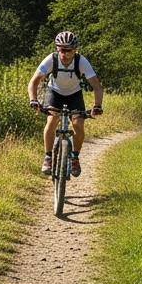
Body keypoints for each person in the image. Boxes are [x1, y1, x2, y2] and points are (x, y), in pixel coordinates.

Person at [27, 31, 103, 176]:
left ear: (74, 50)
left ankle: (75, 157)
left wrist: (97, 105)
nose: (64, 54)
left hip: (74, 94)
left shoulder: (81, 61)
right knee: (52, 119)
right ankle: (48, 157)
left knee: (78, 124)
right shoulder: (51, 59)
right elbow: (33, 82)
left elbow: (97, 86)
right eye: (61, 50)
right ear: (57, 48)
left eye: (68, 50)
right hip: (54, 92)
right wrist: (33, 100)